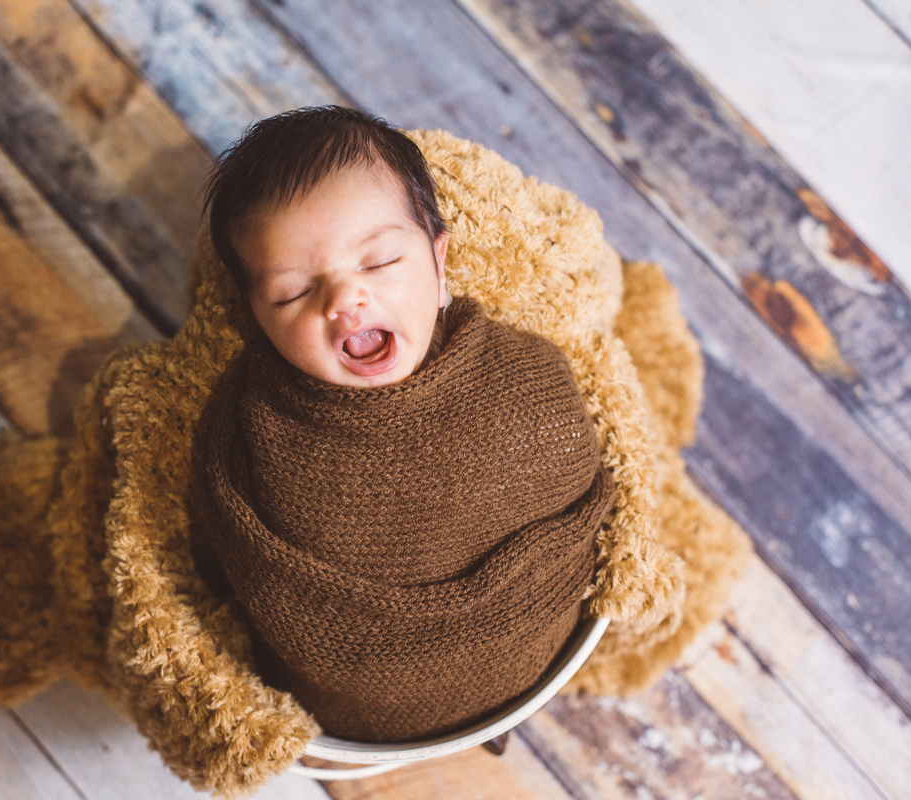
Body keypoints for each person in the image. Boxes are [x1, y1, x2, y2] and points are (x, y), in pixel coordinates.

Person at [189, 105, 616, 743]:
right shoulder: (249, 437)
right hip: (351, 721)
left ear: (440, 266)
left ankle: (500, 717)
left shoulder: (526, 380)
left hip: (541, 660)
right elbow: (221, 559)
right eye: (292, 293)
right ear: (257, 320)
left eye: (380, 261)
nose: (344, 300)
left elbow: (586, 506)